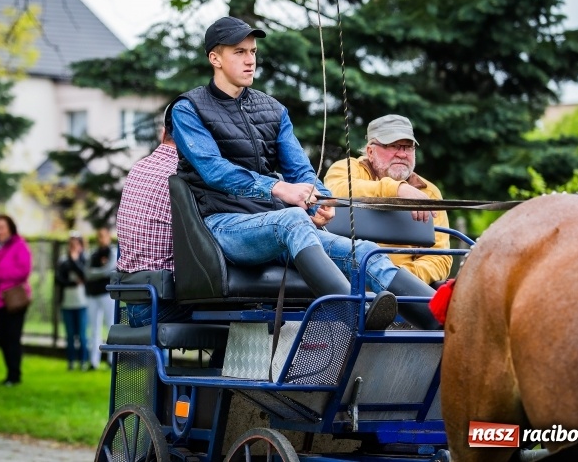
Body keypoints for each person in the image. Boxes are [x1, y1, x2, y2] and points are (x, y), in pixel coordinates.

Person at [167, 16, 442, 330]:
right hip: (221, 226)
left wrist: (319, 200)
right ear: (215, 59)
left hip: (274, 224)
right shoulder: (188, 109)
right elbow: (214, 170)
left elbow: (300, 171)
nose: (250, 60)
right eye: (239, 52)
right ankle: (355, 316)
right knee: (292, 219)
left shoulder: (273, 110)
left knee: (365, 252)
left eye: (253, 52)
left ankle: (441, 321)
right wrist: (278, 189)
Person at [324, 114, 453, 285]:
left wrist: (396, 278)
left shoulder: (428, 192)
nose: (402, 154)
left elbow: (440, 257)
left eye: (408, 147)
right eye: (393, 146)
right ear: (370, 151)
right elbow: (335, 191)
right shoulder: (346, 168)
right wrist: (397, 189)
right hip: (346, 285)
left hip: (404, 290)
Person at [116, 122, 193, 328]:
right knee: (242, 306)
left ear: (163, 133)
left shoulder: (138, 168)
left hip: (133, 300)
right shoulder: (184, 173)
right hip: (160, 304)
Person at [0, 214, 32, 386]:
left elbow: (23, 270)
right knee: (2, 338)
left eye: (2, 227)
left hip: (14, 300)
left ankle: (14, 375)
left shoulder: (20, 246)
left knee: (12, 337)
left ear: (10, 228)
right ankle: (9, 372)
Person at [55, 232, 89, 371]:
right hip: (67, 302)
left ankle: (83, 361)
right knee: (70, 334)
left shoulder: (85, 259)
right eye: (71, 245)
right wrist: (73, 283)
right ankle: (70, 361)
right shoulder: (63, 260)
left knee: (82, 334)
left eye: (76, 244)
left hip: (82, 302)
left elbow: (85, 275)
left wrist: (74, 261)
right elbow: (58, 279)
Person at [85, 227, 116, 369]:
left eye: (103, 236)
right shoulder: (93, 254)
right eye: (99, 236)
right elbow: (87, 272)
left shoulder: (113, 252)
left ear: (108, 237)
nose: (101, 239)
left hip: (107, 293)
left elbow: (109, 270)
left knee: (110, 326)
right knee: (94, 328)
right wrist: (99, 273)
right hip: (93, 294)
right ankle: (94, 361)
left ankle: (111, 359)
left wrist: (95, 273)